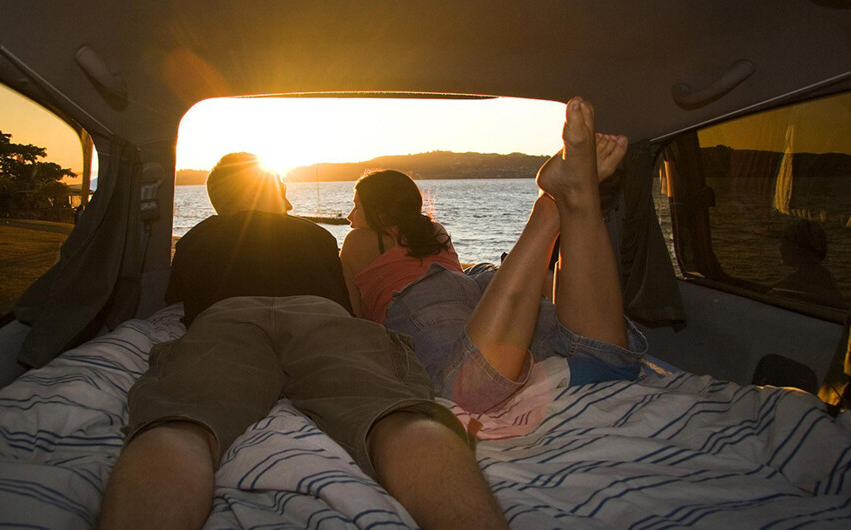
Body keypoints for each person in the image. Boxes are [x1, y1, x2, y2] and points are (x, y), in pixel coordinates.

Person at [98, 153, 509, 530]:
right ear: (261, 193)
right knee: (396, 416)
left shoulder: (200, 235)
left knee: (182, 421)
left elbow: (179, 297)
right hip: (319, 313)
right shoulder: (314, 236)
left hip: (228, 315)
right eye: (282, 192)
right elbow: (345, 303)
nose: (291, 204)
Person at [340, 97, 647, 413]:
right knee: (604, 355)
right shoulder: (434, 231)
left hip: (422, 297)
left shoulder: (359, 241)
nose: (350, 216)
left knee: (463, 393)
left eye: (356, 206)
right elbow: (455, 283)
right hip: (483, 286)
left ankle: (548, 209)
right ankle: (574, 200)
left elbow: (355, 315)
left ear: (376, 211)